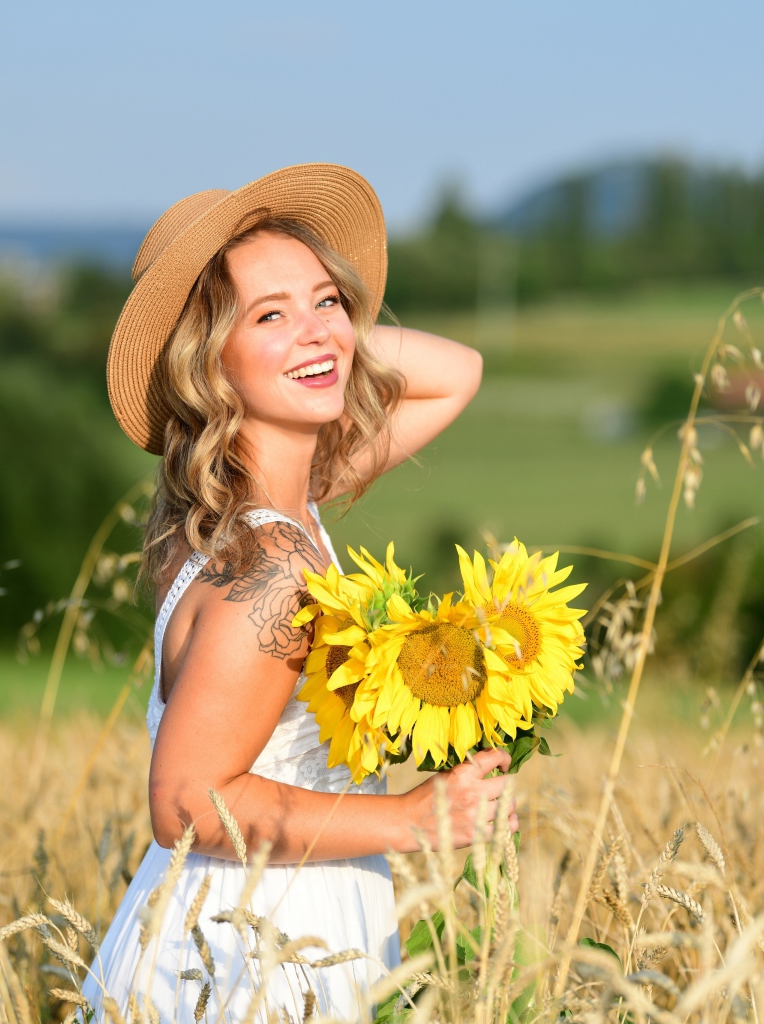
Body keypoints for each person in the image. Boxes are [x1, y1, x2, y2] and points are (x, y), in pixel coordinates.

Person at [81, 164, 516, 1023]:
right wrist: (412, 821)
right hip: (255, 952)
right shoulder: (272, 569)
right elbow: (185, 802)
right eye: (268, 315)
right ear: (206, 358)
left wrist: (318, 342)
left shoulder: (258, 507)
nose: (315, 330)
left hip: (257, 919)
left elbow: (456, 372)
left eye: (327, 299)